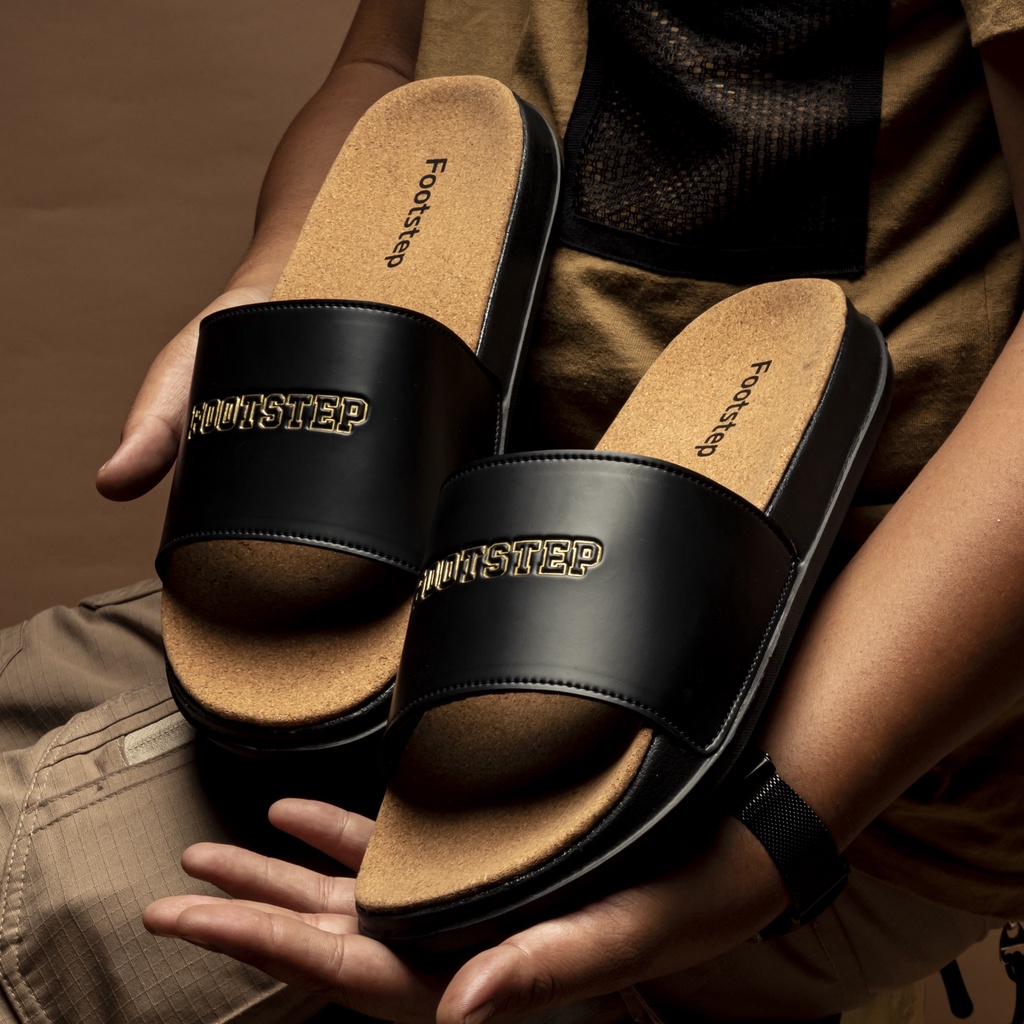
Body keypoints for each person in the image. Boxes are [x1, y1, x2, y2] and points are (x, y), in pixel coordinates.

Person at [3, 0, 1022, 1021]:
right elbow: (389, 62)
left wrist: (767, 839)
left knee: (29, 920)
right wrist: (281, 279)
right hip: (440, 570)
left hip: (832, 729)